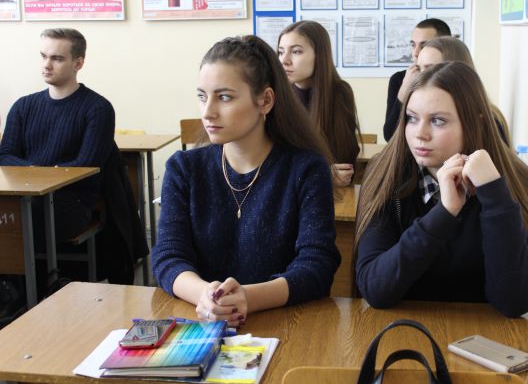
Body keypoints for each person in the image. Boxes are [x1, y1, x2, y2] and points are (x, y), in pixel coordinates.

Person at [151, 35, 341, 327]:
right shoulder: (184, 168)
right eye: (202, 96)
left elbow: (317, 264)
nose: (208, 111)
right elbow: (167, 257)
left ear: (265, 100)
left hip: (284, 326)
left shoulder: (306, 169)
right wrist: (207, 295)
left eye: (224, 97)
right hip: (202, 323)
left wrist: (247, 298)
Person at [354, 62, 528, 318]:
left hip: (484, 333)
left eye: (438, 121)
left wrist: (494, 195)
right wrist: (444, 213)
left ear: (475, 123)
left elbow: (515, 302)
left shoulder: (516, 180)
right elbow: (375, 289)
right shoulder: (385, 174)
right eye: (412, 118)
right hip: (402, 328)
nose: (420, 134)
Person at [0, 28, 115, 246]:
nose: (47, 65)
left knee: (22, 222)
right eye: (43, 56)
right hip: (25, 196)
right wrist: (36, 171)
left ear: (78, 63)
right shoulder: (23, 106)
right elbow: (5, 155)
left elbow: (86, 166)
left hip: (70, 202)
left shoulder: (98, 108)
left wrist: (37, 175)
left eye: (57, 59)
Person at [277, 20, 361, 187]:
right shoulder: (275, 95)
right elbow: (273, 164)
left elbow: (344, 168)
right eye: (280, 52)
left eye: (296, 51)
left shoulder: (339, 92)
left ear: (319, 55)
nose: (284, 60)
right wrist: (321, 173)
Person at [417, 36, 513, 148]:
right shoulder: (418, 110)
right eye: (419, 69)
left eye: (430, 69)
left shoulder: (488, 118)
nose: (420, 76)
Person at [383, 18, 451, 141]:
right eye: (413, 45)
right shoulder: (399, 79)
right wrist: (404, 91)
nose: (415, 53)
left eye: (423, 45)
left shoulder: (456, 80)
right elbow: (389, 136)